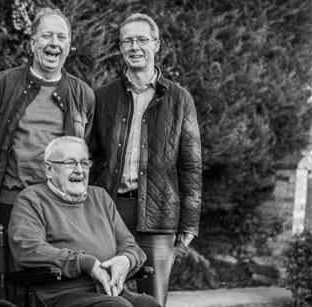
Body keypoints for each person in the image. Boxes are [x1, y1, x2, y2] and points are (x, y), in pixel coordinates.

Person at [0, 8, 94, 302]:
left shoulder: (82, 93)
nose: (54, 43)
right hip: (9, 204)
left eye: (61, 37)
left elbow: (85, 150)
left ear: (69, 45)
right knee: (5, 287)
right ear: (32, 43)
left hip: (59, 207)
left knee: (55, 285)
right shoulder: (4, 83)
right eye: (46, 35)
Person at [89, 13, 202, 306]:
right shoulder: (103, 97)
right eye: (127, 41)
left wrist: (189, 223)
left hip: (160, 214)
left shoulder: (180, 99)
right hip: (110, 209)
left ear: (156, 44)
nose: (134, 46)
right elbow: (89, 156)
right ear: (121, 47)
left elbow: (190, 165)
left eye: (141, 39)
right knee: (106, 294)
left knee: (153, 300)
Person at [8, 136, 160, 307]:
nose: (80, 170)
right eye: (70, 163)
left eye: (84, 163)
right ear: (49, 169)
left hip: (108, 291)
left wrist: (126, 259)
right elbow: (27, 249)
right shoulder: (31, 200)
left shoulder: (101, 197)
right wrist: (86, 263)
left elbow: (131, 246)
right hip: (60, 295)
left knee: (148, 304)